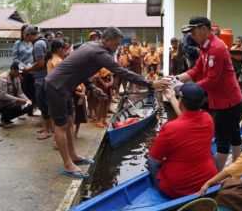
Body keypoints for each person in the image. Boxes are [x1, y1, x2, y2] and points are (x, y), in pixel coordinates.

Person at [44, 26, 168, 178]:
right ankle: (68, 164)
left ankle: (73, 155)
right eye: (116, 44)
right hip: (56, 86)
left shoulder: (92, 46)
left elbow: (79, 69)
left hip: (67, 85)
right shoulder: (98, 51)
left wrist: (91, 87)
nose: (117, 48)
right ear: (107, 40)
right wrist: (149, 84)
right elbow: (121, 71)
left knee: (70, 120)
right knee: (61, 125)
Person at [177, 16, 242, 170]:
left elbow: (212, 80)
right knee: (234, 131)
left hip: (227, 101)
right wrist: (174, 79)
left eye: (192, 32)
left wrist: (186, 89)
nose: (191, 36)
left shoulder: (217, 48)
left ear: (203, 29)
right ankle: (237, 165)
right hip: (229, 98)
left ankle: (215, 176)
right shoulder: (206, 47)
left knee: (221, 139)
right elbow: (196, 69)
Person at [148, 81, 218, 198]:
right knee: (209, 151)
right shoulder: (208, 119)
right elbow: (187, 118)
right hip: (207, 182)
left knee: (151, 160)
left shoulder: (170, 128)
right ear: (201, 102)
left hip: (177, 189)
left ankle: (157, 191)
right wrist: (171, 98)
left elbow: (156, 159)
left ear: (180, 101)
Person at [22, 25, 53, 140]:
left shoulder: (38, 45)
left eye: (26, 36)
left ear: (29, 35)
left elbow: (40, 63)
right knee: (44, 103)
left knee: (43, 103)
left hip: (42, 78)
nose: (26, 39)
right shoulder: (44, 41)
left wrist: (28, 70)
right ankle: (47, 127)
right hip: (46, 77)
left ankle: (48, 131)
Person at [0, 62, 32, 128]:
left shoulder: (17, 78)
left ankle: (6, 118)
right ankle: (4, 120)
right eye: (18, 71)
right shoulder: (3, 77)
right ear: (13, 69)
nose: (20, 73)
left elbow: (20, 93)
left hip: (9, 102)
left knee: (28, 106)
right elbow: (3, 95)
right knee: (14, 106)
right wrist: (18, 100)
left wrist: (27, 100)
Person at [12, 24, 36, 116]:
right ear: (22, 33)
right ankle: (21, 113)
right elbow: (15, 58)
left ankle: (30, 111)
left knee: (31, 92)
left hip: (32, 71)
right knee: (22, 92)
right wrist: (23, 67)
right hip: (21, 72)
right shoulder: (17, 43)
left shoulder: (32, 43)